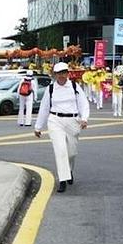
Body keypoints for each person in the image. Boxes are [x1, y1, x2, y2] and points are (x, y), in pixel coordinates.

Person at [34, 62, 90, 193]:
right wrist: (38, 126)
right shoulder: (51, 89)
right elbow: (44, 108)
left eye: (64, 73)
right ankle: (63, 179)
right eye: (59, 73)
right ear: (55, 74)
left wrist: (84, 119)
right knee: (60, 150)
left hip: (72, 120)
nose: (61, 76)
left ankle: (69, 170)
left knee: (71, 152)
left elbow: (83, 103)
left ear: (67, 73)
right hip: (55, 120)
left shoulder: (75, 86)